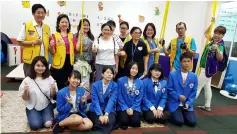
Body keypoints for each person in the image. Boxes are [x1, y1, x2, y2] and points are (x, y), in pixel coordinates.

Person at [18, 56, 57, 130]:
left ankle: (41, 116)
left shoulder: (49, 78)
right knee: (36, 126)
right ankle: (32, 115)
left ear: (46, 67)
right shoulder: (27, 80)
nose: (40, 68)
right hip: (32, 106)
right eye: (38, 65)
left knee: (48, 124)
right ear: (33, 66)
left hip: (46, 105)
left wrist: (53, 90)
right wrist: (26, 91)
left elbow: (52, 96)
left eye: (43, 66)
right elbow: (24, 98)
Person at [196, 18, 226, 112]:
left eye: (219, 34)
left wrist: (217, 49)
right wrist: (211, 23)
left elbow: (220, 58)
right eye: (215, 33)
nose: (216, 35)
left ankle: (186, 104)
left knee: (197, 86)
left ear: (223, 35)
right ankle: (207, 105)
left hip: (208, 70)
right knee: (207, 87)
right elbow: (205, 33)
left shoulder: (220, 45)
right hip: (207, 69)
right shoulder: (213, 41)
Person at [17, 4, 51, 76]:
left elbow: (49, 41)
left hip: (44, 61)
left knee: (44, 82)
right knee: (30, 82)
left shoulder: (47, 27)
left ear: (45, 14)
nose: (41, 15)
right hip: (30, 62)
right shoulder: (27, 25)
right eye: (38, 13)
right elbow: (19, 42)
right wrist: (34, 42)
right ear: (33, 13)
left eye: (43, 13)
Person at [167, 52, 198, 126]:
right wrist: (178, 96)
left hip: (186, 104)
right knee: (179, 122)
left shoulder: (194, 76)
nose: (187, 63)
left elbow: (193, 92)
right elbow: (169, 89)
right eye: (184, 61)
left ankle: (182, 114)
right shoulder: (172, 74)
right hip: (175, 102)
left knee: (192, 122)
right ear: (180, 62)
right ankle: (173, 115)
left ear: (191, 62)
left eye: (188, 61)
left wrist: (188, 103)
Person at [49, 14, 77, 90]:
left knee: (68, 82)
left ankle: (66, 98)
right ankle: (57, 99)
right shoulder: (54, 35)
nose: (64, 24)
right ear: (58, 24)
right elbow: (52, 52)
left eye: (66, 22)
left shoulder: (72, 36)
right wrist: (51, 46)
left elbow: (76, 49)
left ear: (68, 24)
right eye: (62, 22)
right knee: (58, 82)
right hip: (58, 63)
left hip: (69, 63)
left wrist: (80, 37)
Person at [88, 66, 118, 134]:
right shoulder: (95, 85)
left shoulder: (115, 85)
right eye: (107, 72)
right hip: (96, 109)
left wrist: (106, 114)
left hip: (108, 109)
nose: (109, 74)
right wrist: (100, 115)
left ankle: (100, 129)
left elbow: (112, 101)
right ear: (102, 74)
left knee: (109, 121)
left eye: (111, 73)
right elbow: (95, 102)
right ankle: (105, 129)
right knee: (98, 121)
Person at [117, 61, 144, 129]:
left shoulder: (140, 82)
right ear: (129, 69)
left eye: (136, 69)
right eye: (132, 68)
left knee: (136, 123)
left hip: (134, 107)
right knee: (124, 122)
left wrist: (132, 108)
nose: (134, 70)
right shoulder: (120, 80)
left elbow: (139, 98)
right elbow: (119, 96)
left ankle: (134, 115)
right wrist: (125, 108)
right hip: (123, 106)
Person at [75, 18, 95, 89]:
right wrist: (85, 49)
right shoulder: (76, 36)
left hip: (89, 62)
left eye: (87, 25)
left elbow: (93, 50)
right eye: (84, 25)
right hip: (79, 62)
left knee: (87, 82)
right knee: (78, 81)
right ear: (80, 26)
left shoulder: (91, 37)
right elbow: (75, 49)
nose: (86, 27)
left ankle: (85, 97)